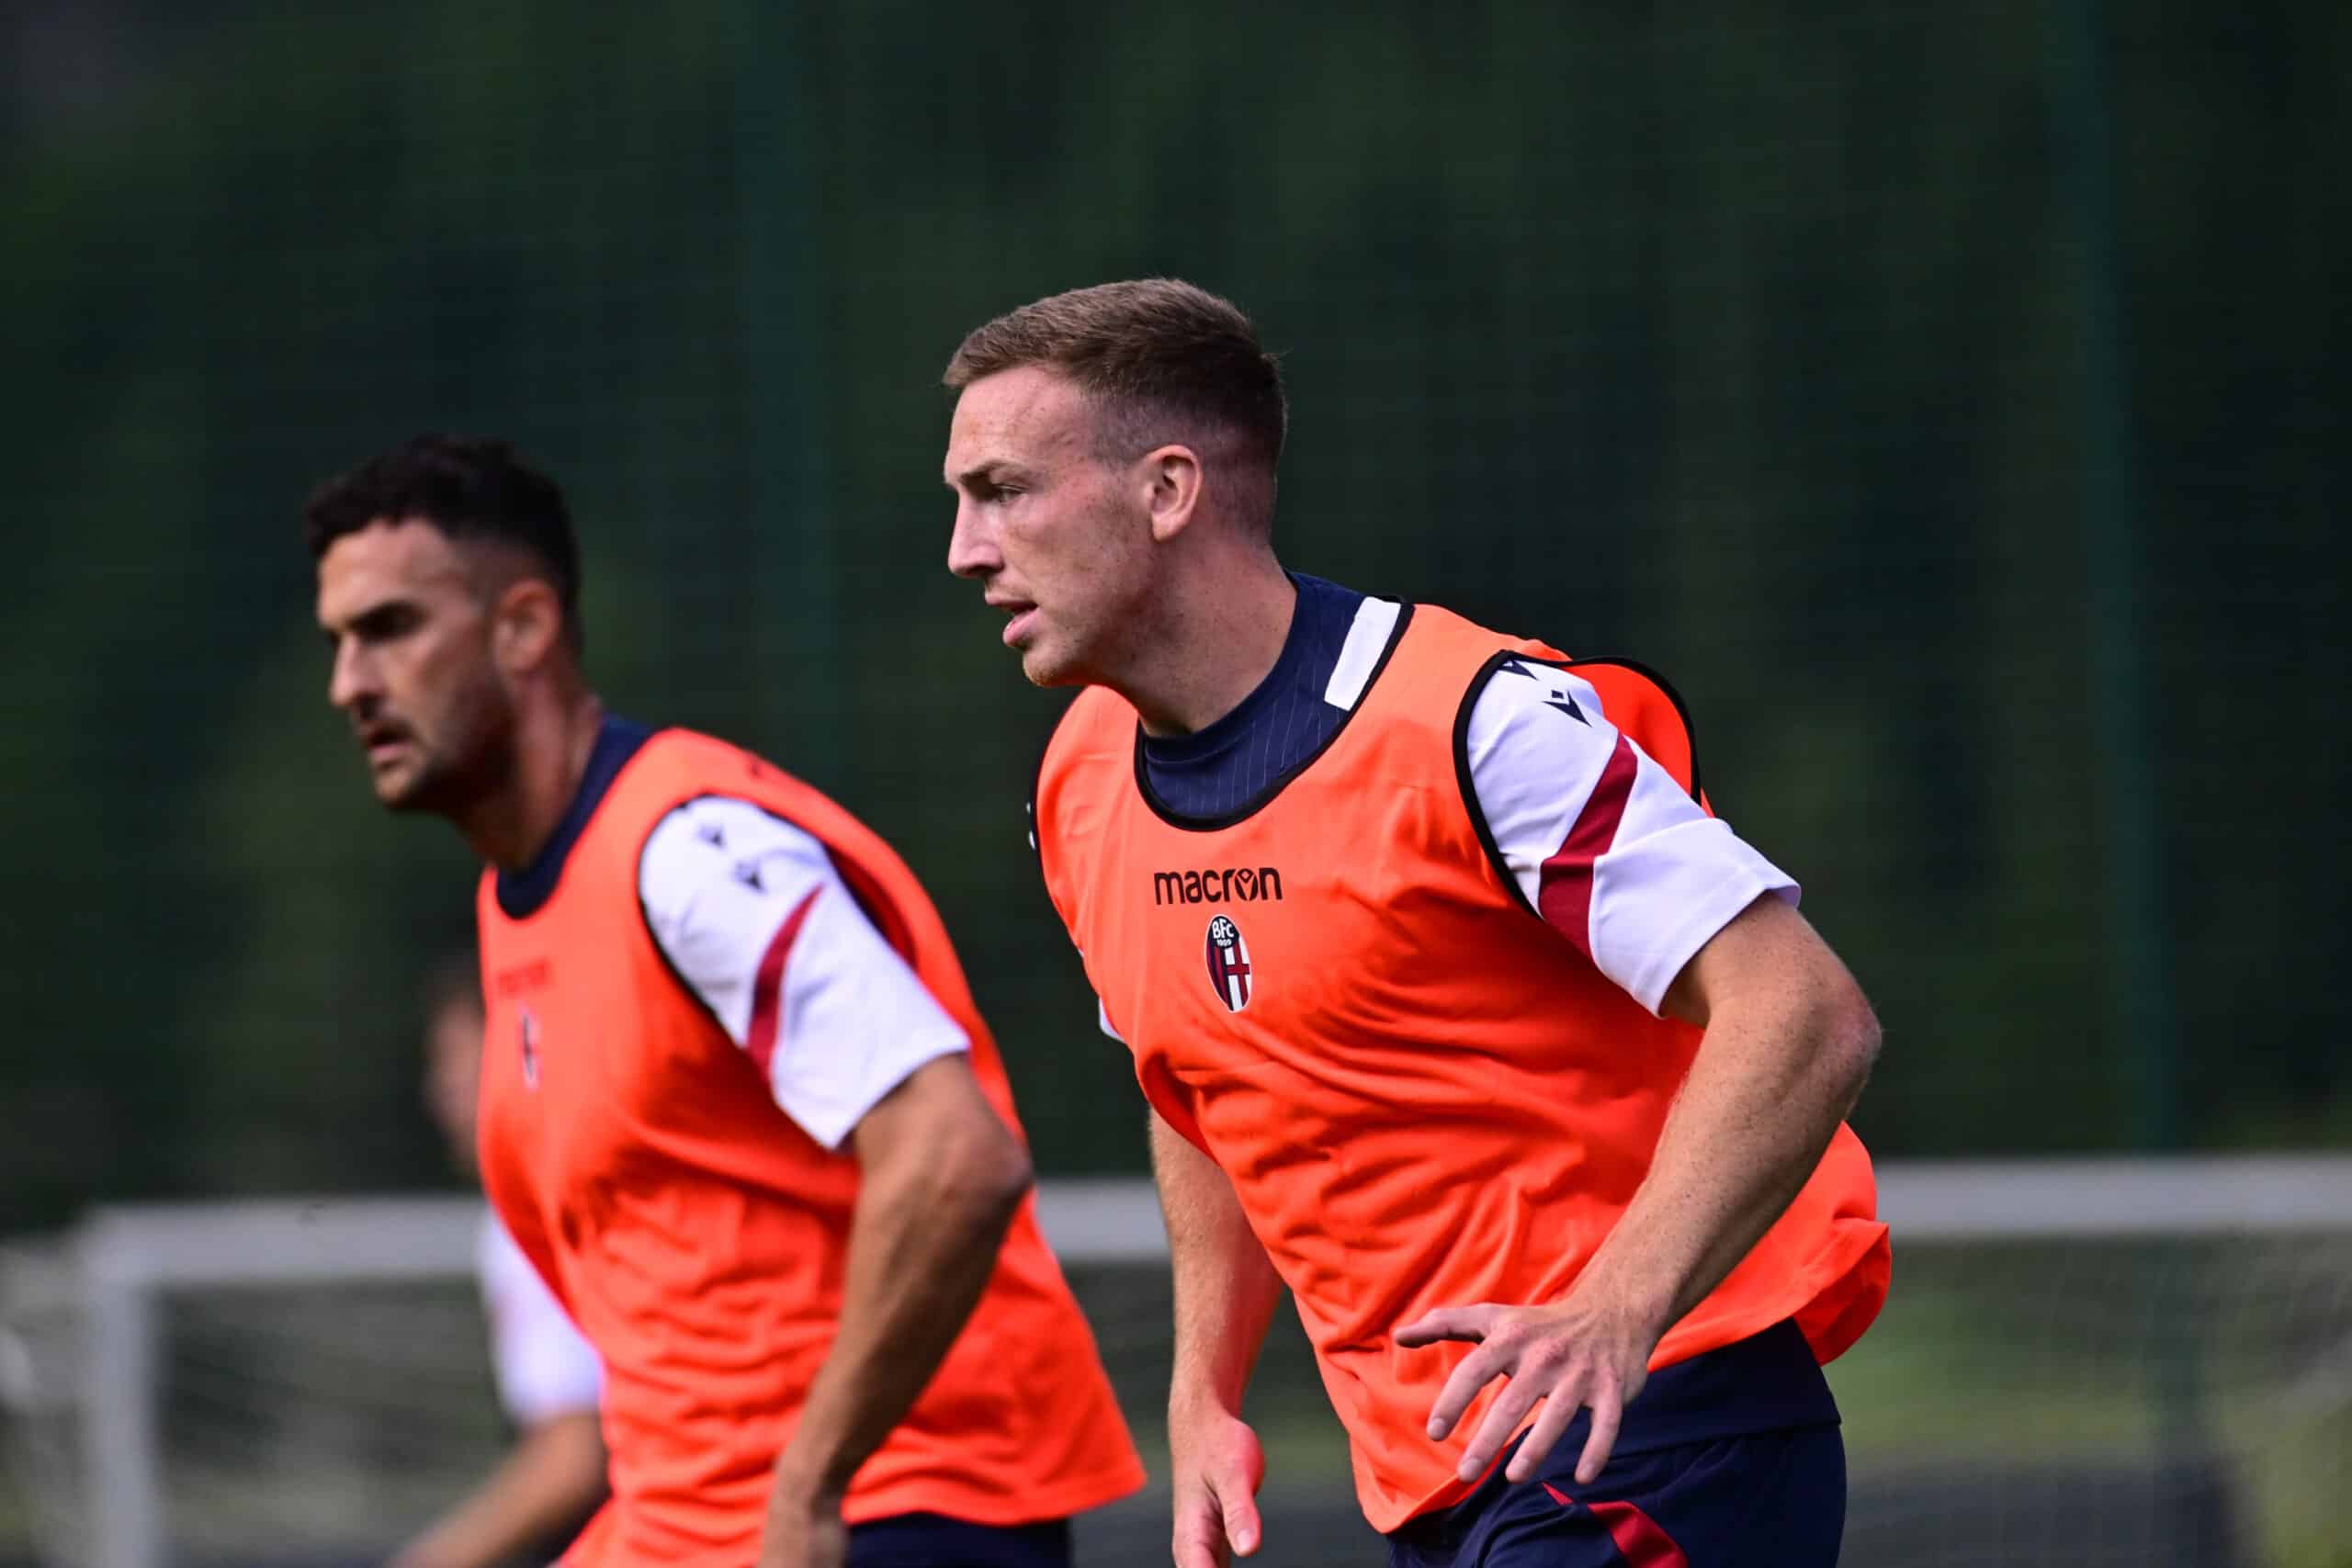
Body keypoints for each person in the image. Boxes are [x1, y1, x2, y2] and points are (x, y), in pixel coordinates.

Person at [940, 280, 1891, 1568]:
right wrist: (1202, 1387)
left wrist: (1612, 1309)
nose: (965, 547)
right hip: (1444, 1471)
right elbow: (1201, 1081)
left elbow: (1806, 1008)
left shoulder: (1472, 723)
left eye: (1003, 490)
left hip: (1658, 1428)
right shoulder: (1084, 780)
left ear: (1168, 491)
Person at [308, 434, 1143, 1568]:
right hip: (701, 1518)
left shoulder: (691, 857)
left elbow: (955, 1158)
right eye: (340, 642)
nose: (350, 683)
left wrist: (806, 1488)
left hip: (898, 1509)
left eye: (391, 629)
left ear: (522, 630)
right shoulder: (521, 902)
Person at [391, 960, 607, 1568]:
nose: (440, 1089)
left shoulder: (539, 1202)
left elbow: (573, 1456)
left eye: (455, 1057)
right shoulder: (527, 1198)